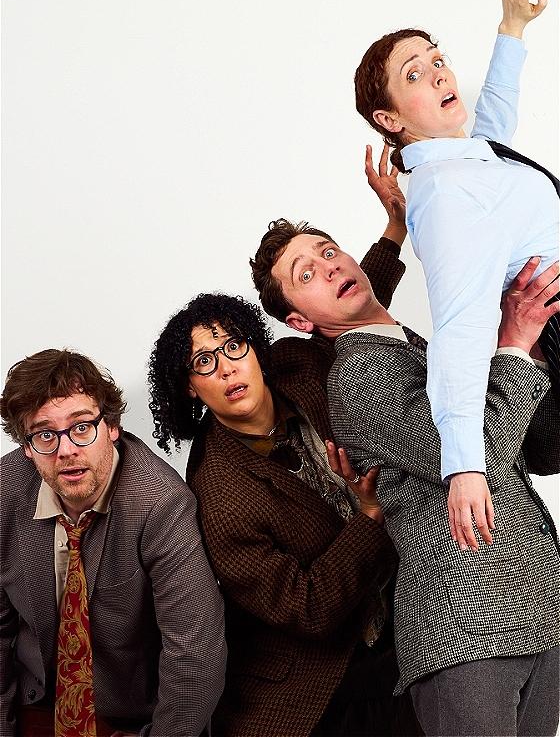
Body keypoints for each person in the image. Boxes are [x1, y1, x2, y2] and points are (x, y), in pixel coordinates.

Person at [250, 218, 560, 736]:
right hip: (467, 625)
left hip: (537, 605)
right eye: (306, 275)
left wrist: (538, 354)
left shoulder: (418, 348)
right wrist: (513, 344)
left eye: (328, 252)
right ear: (300, 321)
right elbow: (474, 455)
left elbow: (541, 453)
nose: (329, 268)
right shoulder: (358, 377)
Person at [148, 292, 421, 737]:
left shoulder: (299, 369)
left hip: (408, 624)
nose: (226, 368)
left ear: (256, 349)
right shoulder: (217, 491)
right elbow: (307, 607)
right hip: (323, 685)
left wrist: (395, 248)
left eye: (233, 346)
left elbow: (342, 307)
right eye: (204, 362)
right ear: (190, 387)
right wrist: (369, 516)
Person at [353, 0, 559, 550]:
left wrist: (512, 28)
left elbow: (494, 127)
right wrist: (464, 464)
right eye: (414, 74)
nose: (439, 72)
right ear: (389, 119)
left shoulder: (465, 162)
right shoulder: (445, 196)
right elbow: (460, 326)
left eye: (436, 58)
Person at [0, 349, 226, 737]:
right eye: (45, 434)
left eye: (81, 427)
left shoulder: (161, 504)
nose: (66, 450)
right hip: (34, 702)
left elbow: (195, 654)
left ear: (112, 427)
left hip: (128, 718)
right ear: (27, 446)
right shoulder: (6, 490)